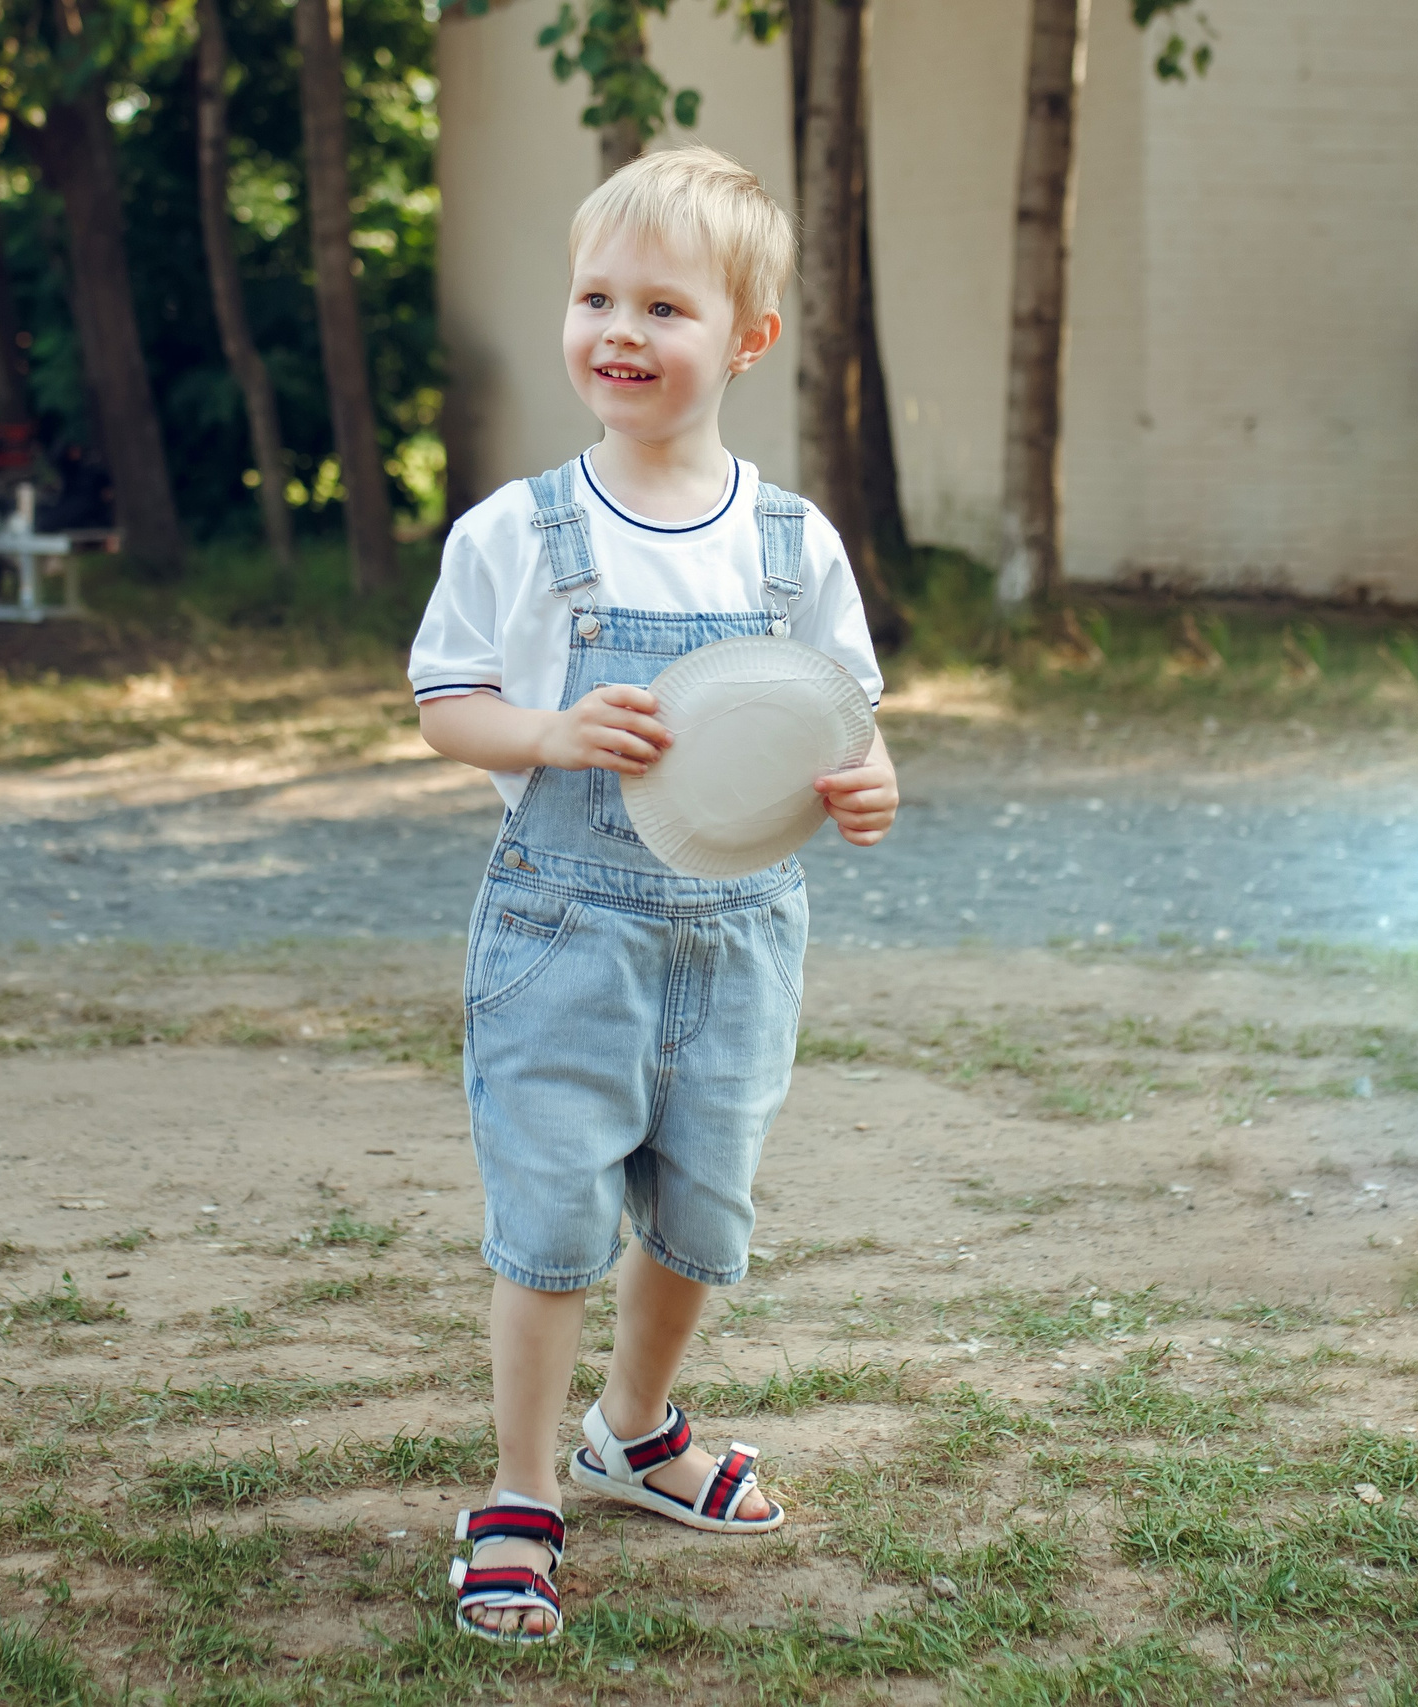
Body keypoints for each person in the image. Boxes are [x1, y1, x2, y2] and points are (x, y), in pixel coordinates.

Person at [408, 145, 900, 1645]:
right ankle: (518, 1487)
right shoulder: (520, 530)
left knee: (701, 1208)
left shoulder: (789, 542)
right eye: (594, 296)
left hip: (737, 934)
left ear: (745, 337)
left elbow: (843, 713)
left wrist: (870, 780)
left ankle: (634, 1428)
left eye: (663, 305)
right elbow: (446, 701)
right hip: (564, 927)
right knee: (552, 1208)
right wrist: (547, 729)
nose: (618, 328)